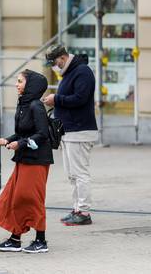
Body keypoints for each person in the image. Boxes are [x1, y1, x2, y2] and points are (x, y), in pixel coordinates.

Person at [0, 69, 53, 254]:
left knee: (31, 198)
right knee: (16, 197)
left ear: (31, 85)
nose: (17, 84)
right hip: (24, 158)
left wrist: (19, 144)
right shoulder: (23, 104)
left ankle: (41, 241)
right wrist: (8, 140)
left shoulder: (35, 106)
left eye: (20, 81)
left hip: (37, 160)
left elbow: (42, 134)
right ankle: (15, 239)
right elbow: (24, 132)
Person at [42, 45, 98, 226]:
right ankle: (77, 208)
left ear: (63, 58)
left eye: (54, 63)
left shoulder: (82, 72)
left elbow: (80, 98)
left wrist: (56, 99)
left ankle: (84, 212)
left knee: (80, 173)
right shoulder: (70, 72)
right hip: (70, 131)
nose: (53, 67)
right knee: (72, 174)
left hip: (79, 131)